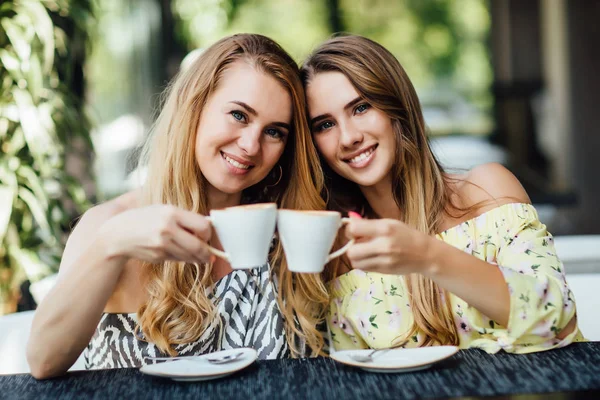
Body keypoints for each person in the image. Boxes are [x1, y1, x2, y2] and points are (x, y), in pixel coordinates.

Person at [27, 33, 330, 379]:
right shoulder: (110, 225)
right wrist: (111, 245)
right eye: (238, 115)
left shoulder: (290, 230)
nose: (251, 145)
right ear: (194, 107)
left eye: (274, 132)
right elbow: (43, 361)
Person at [301, 34, 585, 354]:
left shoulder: (485, 191)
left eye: (362, 107)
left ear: (397, 106)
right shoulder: (338, 247)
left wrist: (426, 255)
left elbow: (558, 321)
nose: (348, 137)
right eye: (325, 124)